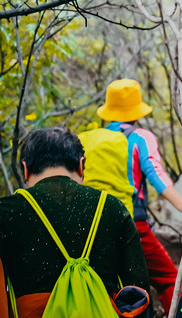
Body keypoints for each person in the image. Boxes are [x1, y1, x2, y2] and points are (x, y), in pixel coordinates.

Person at [0, 128, 150, 318]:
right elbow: (138, 293)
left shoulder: (6, 212)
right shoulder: (112, 207)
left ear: (25, 169)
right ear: (81, 165)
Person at [85, 79, 182, 310]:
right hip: (132, 224)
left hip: (93, 227)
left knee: (112, 283)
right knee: (170, 278)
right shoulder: (141, 137)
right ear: (137, 110)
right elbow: (157, 176)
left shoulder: (93, 139)